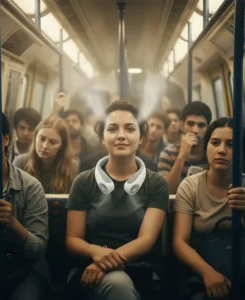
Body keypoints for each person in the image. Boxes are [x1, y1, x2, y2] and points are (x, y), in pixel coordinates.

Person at [65, 100, 169, 300]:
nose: (121, 135)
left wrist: (103, 263)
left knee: (118, 284)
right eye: (112, 129)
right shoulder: (84, 181)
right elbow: (73, 239)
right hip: (90, 268)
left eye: (130, 129)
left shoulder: (156, 183)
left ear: (141, 138)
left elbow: (146, 240)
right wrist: (96, 253)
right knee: (116, 284)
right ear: (103, 138)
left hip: (141, 268)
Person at [173, 117, 245, 299]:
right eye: (215, 143)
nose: (221, 150)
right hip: (206, 268)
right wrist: (208, 273)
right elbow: (180, 242)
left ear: (242, 152)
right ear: (206, 148)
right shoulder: (190, 186)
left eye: (231, 145)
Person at [0, 106, 53, 299]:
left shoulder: (30, 187)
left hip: (23, 270)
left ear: (6, 139)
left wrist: (13, 225)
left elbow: (38, 249)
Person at [13, 116, 76, 194]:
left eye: (52, 142)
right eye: (42, 139)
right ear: (35, 137)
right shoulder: (21, 162)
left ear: (62, 145)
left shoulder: (70, 167)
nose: (45, 146)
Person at [158, 101, 211, 193]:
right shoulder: (168, 153)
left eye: (201, 125)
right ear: (182, 126)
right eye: (190, 124)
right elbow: (168, 190)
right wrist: (181, 156)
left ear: (208, 128)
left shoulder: (211, 153)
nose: (195, 130)